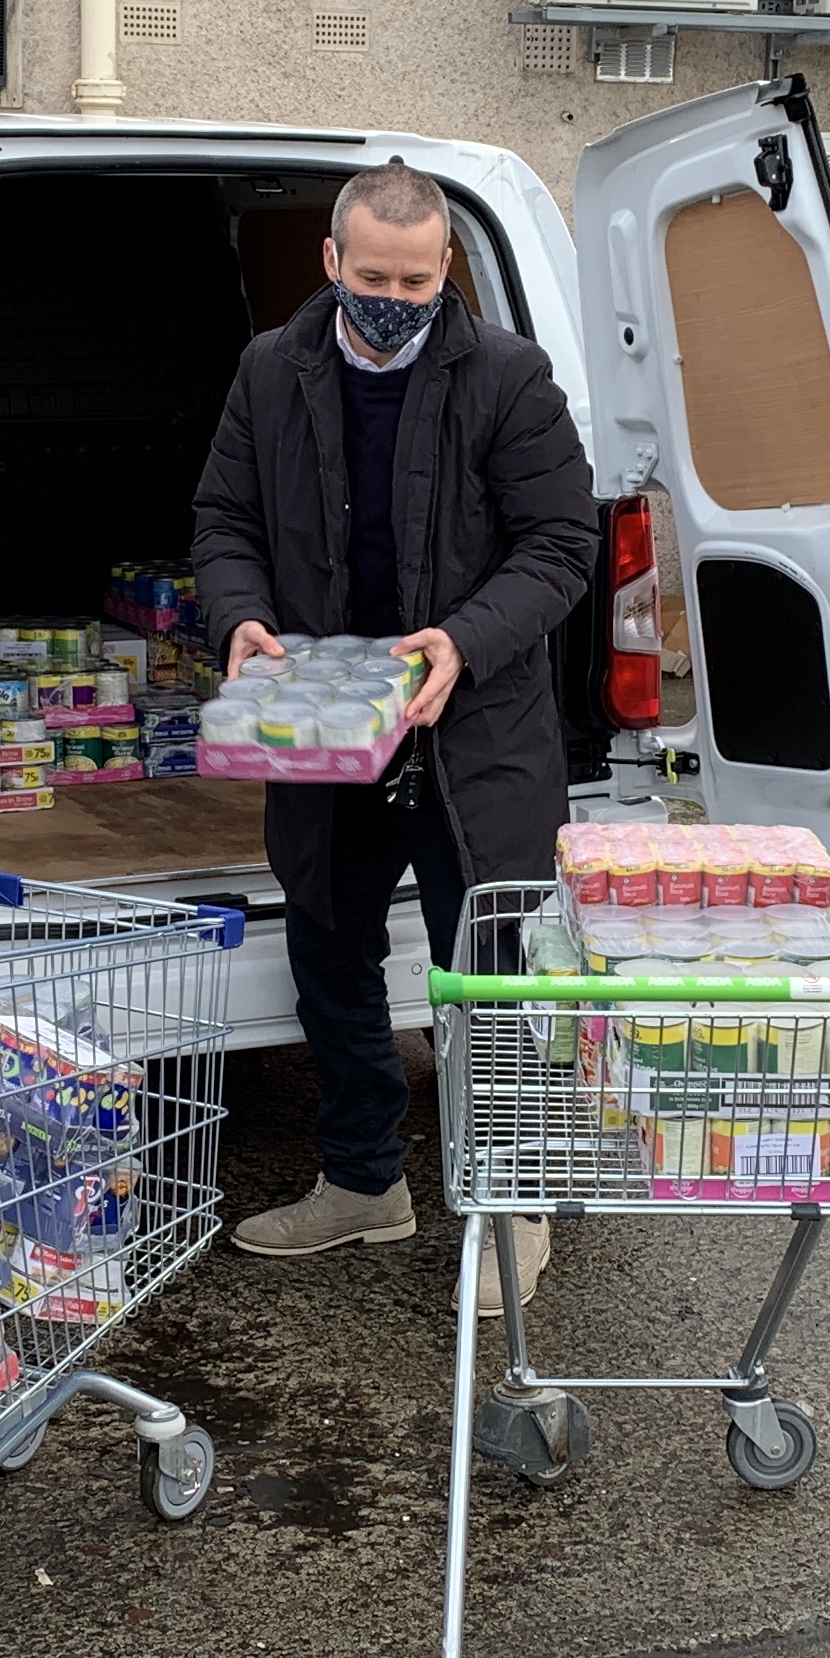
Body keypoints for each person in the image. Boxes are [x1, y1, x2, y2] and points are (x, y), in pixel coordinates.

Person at [192, 161, 595, 1293]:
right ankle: (365, 1182)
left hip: (474, 733)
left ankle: (512, 1197)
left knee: (497, 964)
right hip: (325, 722)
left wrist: (465, 638)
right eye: (373, 276)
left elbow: (560, 544)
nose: (393, 298)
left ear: (446, 271)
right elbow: (222, 519)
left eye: (417, 282)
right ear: (331, 262)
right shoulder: (272, 370)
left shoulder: (510, 379)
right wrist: (243, 616)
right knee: (329, 948)